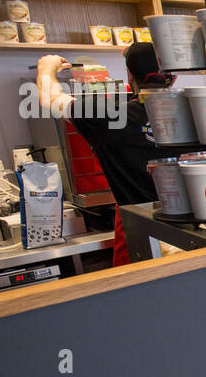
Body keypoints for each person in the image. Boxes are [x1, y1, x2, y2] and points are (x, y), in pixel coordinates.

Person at [36, 43, 183, 265]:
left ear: (129, 74)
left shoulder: (111, 116)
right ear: (173, 77)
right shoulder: (196, 111)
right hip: (195, 233)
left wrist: (46, 67)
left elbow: (51, 100)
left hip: (142, 238)